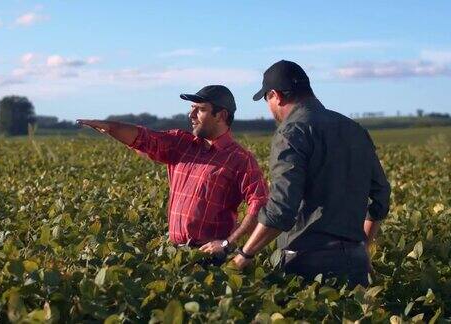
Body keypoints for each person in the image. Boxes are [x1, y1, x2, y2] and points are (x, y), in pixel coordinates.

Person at [231, 60, 391, 287]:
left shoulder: (292, 131)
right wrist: (363, 244)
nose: (269, 107)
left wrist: (245, 254)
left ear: (276, 95)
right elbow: (381, 194)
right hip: (355, 262)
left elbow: (281, 209)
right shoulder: (354, 129)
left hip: (307, 264)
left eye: (267, 99)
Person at [78, 85, 269, 266]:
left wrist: (229, 244)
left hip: (211, 258)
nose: (191, 115)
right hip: (174, 253)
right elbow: (144, 138)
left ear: (221, 115)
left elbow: (260, 203)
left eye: (200, 109)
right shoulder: (181, 144)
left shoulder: (240, 159)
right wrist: (110, 127)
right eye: (192, 108)